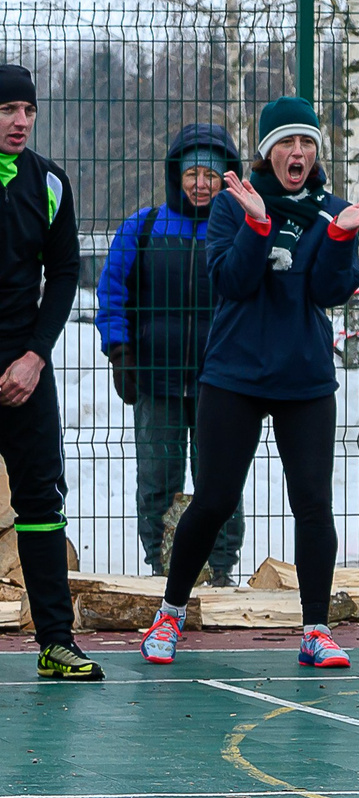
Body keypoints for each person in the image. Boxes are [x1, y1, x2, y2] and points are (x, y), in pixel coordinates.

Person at [140, 96, 359, 670]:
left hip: (304, 380)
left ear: (316, 152)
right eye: (286, 143)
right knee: (215, 499)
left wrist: (338, 238)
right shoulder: (234, 205)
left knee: (313, 505)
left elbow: (329, 292)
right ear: (266, 151)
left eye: (306, 143)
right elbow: (231, 280)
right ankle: (171, 612)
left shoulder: (335, 210)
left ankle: (315, 629)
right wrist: (258, 225)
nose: (297, 152)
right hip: (234, 375)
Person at [97, 123, 245, 581]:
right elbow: (112, 292)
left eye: (212, 175)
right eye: (192, 173)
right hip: (155, 379)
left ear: (229, 179)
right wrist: (120, 352)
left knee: (219, 484)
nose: (201, 184)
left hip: (221, 382)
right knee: (157, 481)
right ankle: (162, 569)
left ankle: (219, 572)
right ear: (175, 175)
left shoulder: (242, 230)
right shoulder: (142, 227)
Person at [0, 65, 98, 680]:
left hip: (24, 365)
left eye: (28, 111)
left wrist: (35, 356)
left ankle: (56, 642)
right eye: (7, 109)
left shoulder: (50, 183)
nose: (19, 121)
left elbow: (64, 274)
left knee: (40, 501)